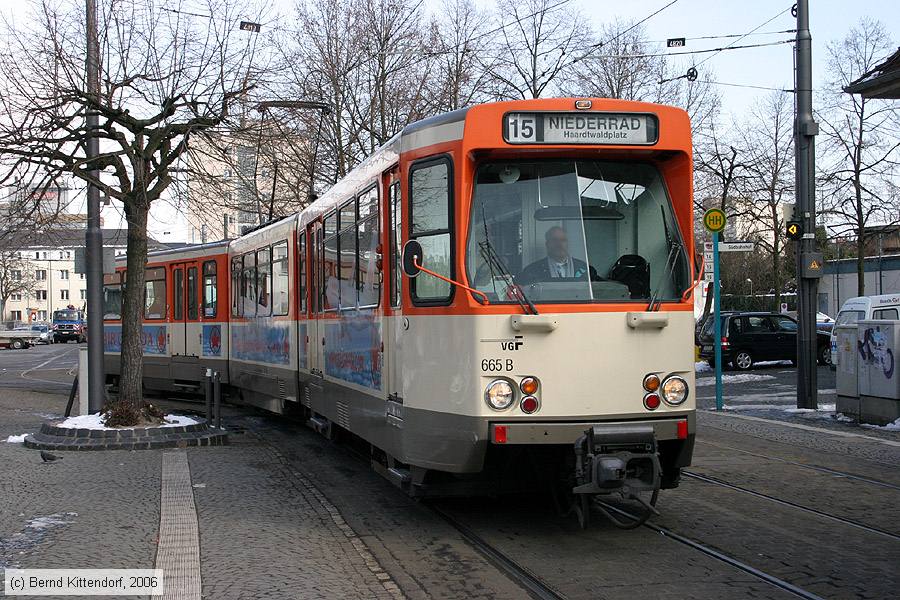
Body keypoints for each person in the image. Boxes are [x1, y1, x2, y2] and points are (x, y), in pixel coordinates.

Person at [517, 226, 599, 284]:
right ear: (547, 244)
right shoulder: (532, 271)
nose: (559, 244)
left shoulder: (587, 270)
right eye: (554, 240)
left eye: (563, 240)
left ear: (568, 244)